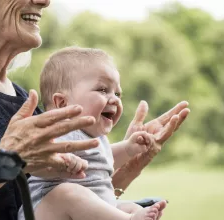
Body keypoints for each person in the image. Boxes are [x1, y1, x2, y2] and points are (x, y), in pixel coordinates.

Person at [0, 0, 190, 220]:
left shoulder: (21, 98)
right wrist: (0, 166)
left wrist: (128, 165)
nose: (45, 1)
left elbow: (58, 201)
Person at [19, 46, 169, 220]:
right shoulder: (58, 130)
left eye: (117, 93)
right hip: (46, 210)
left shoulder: (97, 138)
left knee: (129, 207)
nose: (114, 99)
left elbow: (103, 161)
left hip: (87, 209)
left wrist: (128, 149)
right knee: (69, 193)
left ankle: (131, 216)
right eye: (103, 90)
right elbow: (34, 163)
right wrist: (61, 161)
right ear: (62, 103)